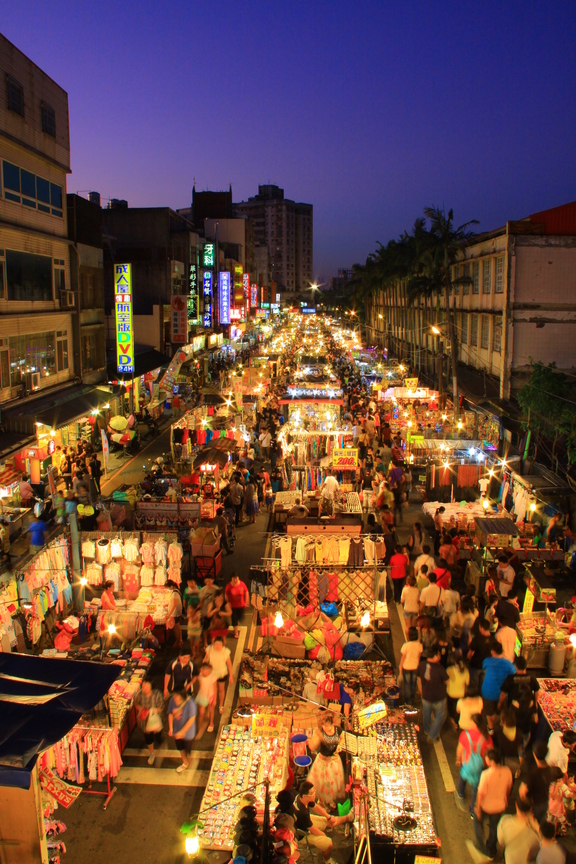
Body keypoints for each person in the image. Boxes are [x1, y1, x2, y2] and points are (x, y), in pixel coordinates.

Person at [294, 781, 351, 861]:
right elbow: (313, 829)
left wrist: (328, 817)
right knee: (328, 843)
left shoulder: (301, 798)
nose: (314, 795)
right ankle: (327, 860)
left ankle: (348, 817)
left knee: (329, 821)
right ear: (304, 796)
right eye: (312, 794)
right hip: (302, 834)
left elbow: (315, 807)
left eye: (314, 792)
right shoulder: (302, 813)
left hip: (305, 823)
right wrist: (323, 836)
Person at [472, 750, 513, 861]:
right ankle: (491, 850)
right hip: (500, 806)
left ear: (492, 761)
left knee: (477, 822)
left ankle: (481, 846)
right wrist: (506, 799)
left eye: (487, 759)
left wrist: (478, 808)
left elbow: (480, 794)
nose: (485, 760)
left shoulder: (486, 774)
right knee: (494, 828)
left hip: (486, 806)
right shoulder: (507, 771)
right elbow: (509, 788)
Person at [499, 656, 540, 754]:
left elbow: (503, 694)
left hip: (514, 725)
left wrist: (500, 703)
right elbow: (537, 691)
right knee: (522, 745)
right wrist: (535, 703)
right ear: (526, 666)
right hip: (526, 730)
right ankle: (521, 753)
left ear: (515, 666)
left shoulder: (510, 679)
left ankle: (511, 751)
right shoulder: (532, 678)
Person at [455, 713, 493, 814]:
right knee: (476, 789)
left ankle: (460, 794)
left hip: (466, 763)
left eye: (471, 722)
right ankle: (473, 810)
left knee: (463, 778)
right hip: (481, 766)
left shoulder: (465, 734)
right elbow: (490, 752)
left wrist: (458, 759)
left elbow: (460, 750)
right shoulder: (486, 737)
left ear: (475, 724)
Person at [307, 712, 345, 809]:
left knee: (332, 785)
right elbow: (311, 746)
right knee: (323, 785)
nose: (326, 729)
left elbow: (343, 738)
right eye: (324, 726)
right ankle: (323, 803)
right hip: (323, 763)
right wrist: (317, 736)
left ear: (333, 724)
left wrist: (340, 746)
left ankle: (330, 801)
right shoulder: (320, 733)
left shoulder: (338, 730)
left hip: (334, 762)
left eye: (328, 726)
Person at [519, 740, 563, 823]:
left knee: (531, 825)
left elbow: (522, 792)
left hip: (533, 805)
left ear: (534, 754)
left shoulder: (532, 773)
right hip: (545, 804)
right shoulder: (551, 770)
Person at [481, 641, 516, 734]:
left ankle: (491, 729)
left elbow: (484, 668)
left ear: (492, 652)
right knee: (502, 711)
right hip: (502, 693)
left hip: (488, 692)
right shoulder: (508, 664)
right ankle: (501, 725)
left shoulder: (487, 661)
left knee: (489, 712)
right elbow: (514, 673)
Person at [417, 644, 448, 742]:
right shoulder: (440, 669)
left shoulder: (421, 664)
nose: (440, 656)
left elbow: (418, 677)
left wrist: (420, 689)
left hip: (426, 696)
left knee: (426, 715)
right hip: (439, 697)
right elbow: (447, 682)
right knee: (440, 716)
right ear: (435, 656)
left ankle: (427, 730)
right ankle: (432, 734)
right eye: (438, 655)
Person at [497, 798, 541, 864]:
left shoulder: (504, 821)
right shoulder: (533, 832)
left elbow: (501, 842)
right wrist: (537, 828)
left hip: (510, 860)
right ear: (530, 809)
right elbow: (538, 849)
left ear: (516, 806)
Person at [134, 678, 164, 765]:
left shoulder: (157, 694)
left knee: (158, 735)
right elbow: (136, 703)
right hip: (145, 722)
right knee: (148, 738)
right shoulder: (140, 694)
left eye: (147, 686)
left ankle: (159, 741)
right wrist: (141, 710)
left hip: (156, 720)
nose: (144, 688)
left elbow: (161, 707)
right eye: (143, 686)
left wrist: (150, 711)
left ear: (151, 686)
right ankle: (152, 753)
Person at [167, 689, 198, 773]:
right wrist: (171, 728)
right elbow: (170, 713)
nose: (174, 697)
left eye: (176, 696)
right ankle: (185, 762)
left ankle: (189, 759)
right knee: (180, 747)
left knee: (188, 748)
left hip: (188, 733)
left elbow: (192, 719)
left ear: (180, 696)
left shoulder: (190, 703)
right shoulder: (172, 700)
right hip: (176, 731)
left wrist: (182, 732)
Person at [204, 636, 233, 714]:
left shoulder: (225, 651)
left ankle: (221, 705)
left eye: (219, 644)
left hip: (222, 673)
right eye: (216, 644)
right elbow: (205, 660)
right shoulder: (210, 649)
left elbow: (229, 664)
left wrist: (231, 675)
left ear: (222, 644)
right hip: (211, 673)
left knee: (221, 690)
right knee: (212, 690)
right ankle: (212, 703)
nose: (217, 646)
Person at [446, 650, 470, 731]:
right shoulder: (466, 671)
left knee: (451, 710)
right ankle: (457, 722)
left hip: (450, 694)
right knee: (458, 710)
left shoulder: (449, 670)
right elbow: (467, 683)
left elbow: (445, 681)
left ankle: (453, 722)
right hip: (461, 695)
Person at [399, 627, 423, 706]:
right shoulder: (419, 645)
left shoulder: (406, 645)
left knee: (407, 685)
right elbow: (419, 658)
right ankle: (412, 698)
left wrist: (400, 668)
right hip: (415, 667)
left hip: (406, 667)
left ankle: (408, 702)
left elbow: (403, 658)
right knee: (413, 683)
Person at [467, 618, 492, 690]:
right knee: (482, 686)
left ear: (481, 628)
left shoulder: (477, 638)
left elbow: (470, 653)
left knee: (473, 685)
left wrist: (468, 658)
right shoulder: (493, 640)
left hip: (475, 666)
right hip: (486, 667)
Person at [196, 661, 218, 733]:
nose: (203, 672)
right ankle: (199, 727)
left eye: (205, 670)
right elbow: (200, 685)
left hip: (210, 696)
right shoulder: (200, 676)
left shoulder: (213, 678)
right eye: (202, 670)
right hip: (202, 696)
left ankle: (211, 723)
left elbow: (215, 689)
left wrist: (215, 699)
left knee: (211, 710)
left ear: (209, 670)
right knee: (201, 713)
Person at [224, 574, 249, 638]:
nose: (235, 580)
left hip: (241, 605)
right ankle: (236, 633)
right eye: (234, 578)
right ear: (231, 579)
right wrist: (227, 603)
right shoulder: (229, 586)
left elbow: (246, 592)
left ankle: (236, 623)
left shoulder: (242, 584)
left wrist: (246, 602)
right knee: (234, 619)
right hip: (233, 606)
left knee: (240, 617)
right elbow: (226, 595)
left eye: (236, 578)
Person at [199, 576, 218, 646]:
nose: (209, 582)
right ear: (205, 581)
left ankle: (214, 641)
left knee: (214, 627)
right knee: (205, 628)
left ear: (213, 580)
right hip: (205, 611)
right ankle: (205, 642)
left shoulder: (216, 589)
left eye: (210, 581)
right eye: (207, 581)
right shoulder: (202, 590)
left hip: (214, 611)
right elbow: (201, 601)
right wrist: (199, 611)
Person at [165, 579, 183, 650]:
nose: (168, 589)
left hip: (175, 614)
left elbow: (174, 605)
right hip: (176, 613)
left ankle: (177, 643)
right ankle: (179, 641)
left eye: (168, 587)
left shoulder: (175, 593)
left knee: (176, 628)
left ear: (171, 586)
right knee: (177, 627)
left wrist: (169, 615)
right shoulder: (176, 591)